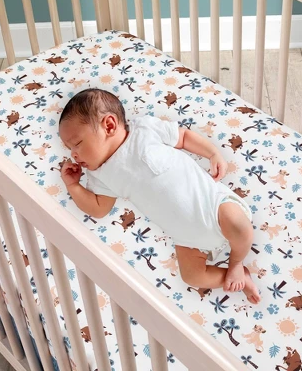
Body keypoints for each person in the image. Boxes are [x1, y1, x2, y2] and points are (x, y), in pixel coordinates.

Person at [59, 88, 260, 304]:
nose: (73, 154)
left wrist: (212, 153)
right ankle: (239, 278)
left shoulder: (143, 130)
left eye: (77, 144)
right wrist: (73, 185)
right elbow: (98, 208)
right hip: (188, 239)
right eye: (69, 148)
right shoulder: (101, 175)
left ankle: (236, 263)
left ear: (109, 125)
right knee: (192, 276)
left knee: (238, 225)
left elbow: (183, 137)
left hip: (213, 205)